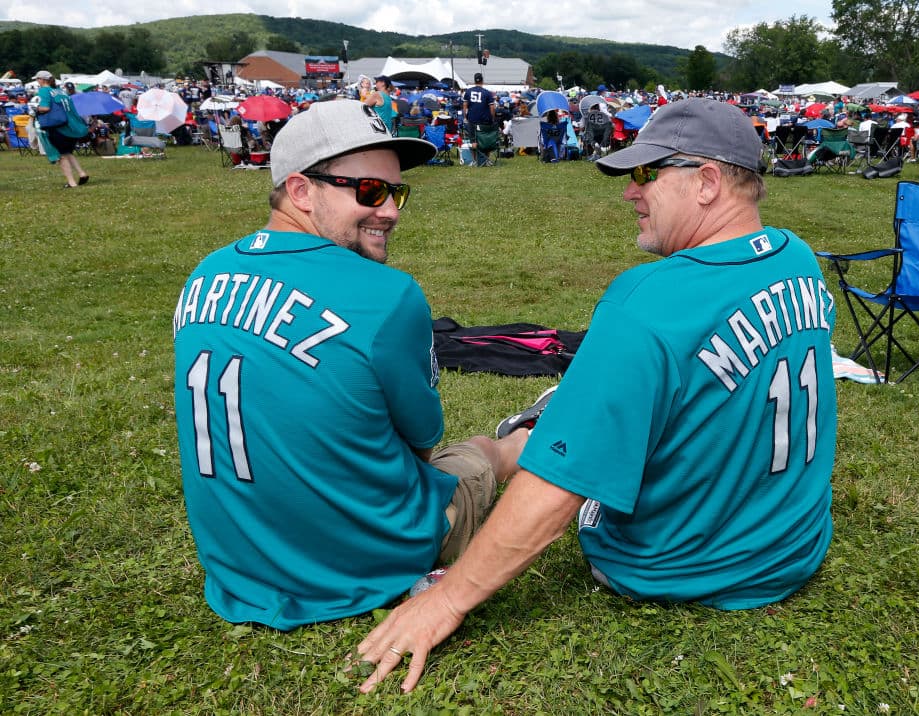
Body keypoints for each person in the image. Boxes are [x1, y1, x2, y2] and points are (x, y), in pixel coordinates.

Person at [354, 97, 838, 694]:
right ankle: (566, 404)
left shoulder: (647, 302)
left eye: (645, 174)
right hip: (793, 548)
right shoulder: (797, 257)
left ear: (708, 182)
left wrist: (447, 600)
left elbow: (556, 493)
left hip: (676, 568)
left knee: (553, 437)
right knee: (630, 395)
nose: (630, 192)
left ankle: (543, 418)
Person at [172, 99, 530, 631]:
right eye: (369, 191)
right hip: (366, 565)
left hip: (238, 566)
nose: (391, 210)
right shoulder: (385, 295)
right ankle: (525, 434)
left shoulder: (206, 272)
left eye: (395, 191)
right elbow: (421, 443)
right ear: (300, 190)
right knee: (478, 455)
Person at [31, 70, 90, 188]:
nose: (37, 82)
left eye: (38, 79)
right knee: (67, 152)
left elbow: (45, 108)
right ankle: (82, 173)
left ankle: (71, 182)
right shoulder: (60, 91)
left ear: (42, 80)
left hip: (58, 127)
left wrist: (37, 109)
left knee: (61, 155)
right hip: (71, 126)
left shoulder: (44, 90)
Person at [461, 72, 495, 150]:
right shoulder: (487, 92)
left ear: (474, 81)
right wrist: (492, 118)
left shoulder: (468, 91)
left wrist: (465, 117)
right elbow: (492, 108)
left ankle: (475, 160)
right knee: (485, 140)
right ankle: (485, 160)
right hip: (484, 120)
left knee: (473, 141)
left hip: (472, 119)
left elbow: (464, 106)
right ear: (482, 81)